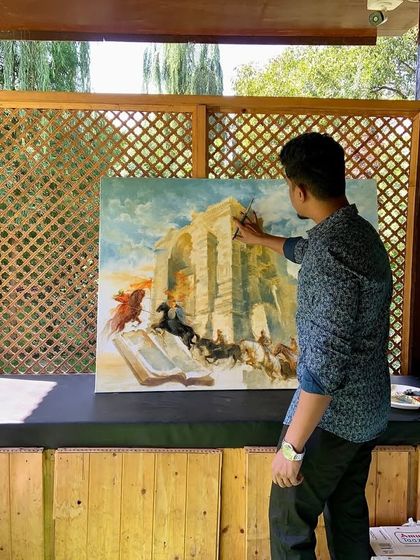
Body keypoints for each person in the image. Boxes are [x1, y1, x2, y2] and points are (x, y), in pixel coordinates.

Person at [234, 132, 392, 560]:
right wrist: (260, 240)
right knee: (348, 515)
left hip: (333, 418)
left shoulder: (329, 254)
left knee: (290, 524)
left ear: (299, 190)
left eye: (289, 185)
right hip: (369, 410)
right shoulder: (359, 234)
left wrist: (292, 448)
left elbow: (324, 365)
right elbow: (306, 249)